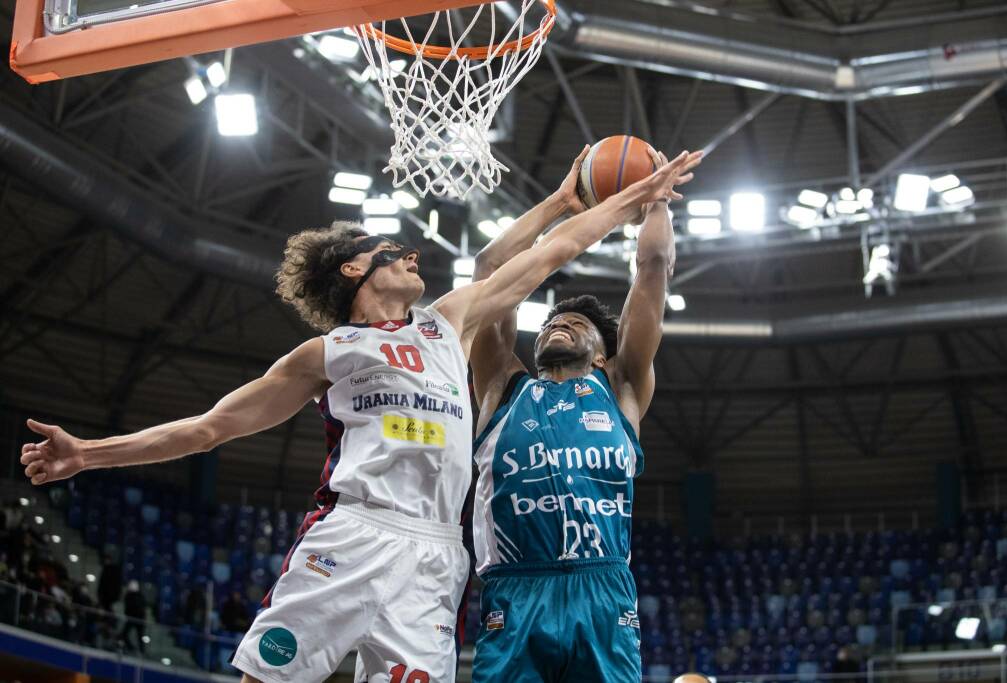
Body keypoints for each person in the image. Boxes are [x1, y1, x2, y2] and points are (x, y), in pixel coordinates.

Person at [20, 148, 696, 683]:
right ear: (352, 270)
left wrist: (611, 198)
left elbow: (545, 255)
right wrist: (88, 452)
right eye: (393, 252)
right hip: (357, 528)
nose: (412, 255)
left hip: (439, 552)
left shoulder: (445, 324)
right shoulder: (327, 351)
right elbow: (208, 428)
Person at [468, 147, 703, 681]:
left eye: (576, 324)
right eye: (550, 322)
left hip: (602, 590)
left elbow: (651, 270)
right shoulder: (502, 387)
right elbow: (488, 270)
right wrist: (559, 204)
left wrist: (657, 203)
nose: (558, 325)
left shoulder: (621, 388)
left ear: (603, 354)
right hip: (516, 586)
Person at [121, 579, 147, 653]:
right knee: (125, 634)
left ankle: (141, 651)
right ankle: (131, 648)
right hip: (133, 618)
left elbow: (142, 608)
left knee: (139, 636)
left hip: (139, 619)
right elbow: (128, 607)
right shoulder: (129, 596)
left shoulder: (140, 596)